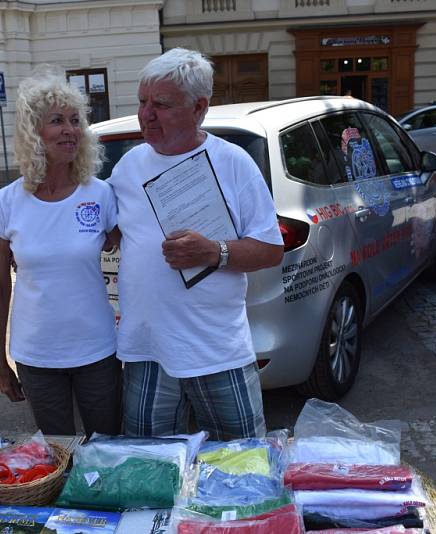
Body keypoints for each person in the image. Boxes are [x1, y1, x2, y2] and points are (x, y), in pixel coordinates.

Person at [107, 48, 285, 441]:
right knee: (151, 468)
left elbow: (271, 250)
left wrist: (215, 252)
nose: (146, 114)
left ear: (199, 107)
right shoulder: (128, 166)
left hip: (217, 349)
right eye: (142, 102)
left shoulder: (234, 162)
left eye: (162, 105)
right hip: (147, 349)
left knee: (244, 463)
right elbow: (101, 228)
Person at [0, 67, 121, 438]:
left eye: (76, 121)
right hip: (37, 355)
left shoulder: (100, 194)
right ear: (33, 132)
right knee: (58, 454)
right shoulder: (7, 203)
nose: (70, 129)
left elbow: (134, 254)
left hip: (97, 350)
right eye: (57, 121)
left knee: (106, 449)